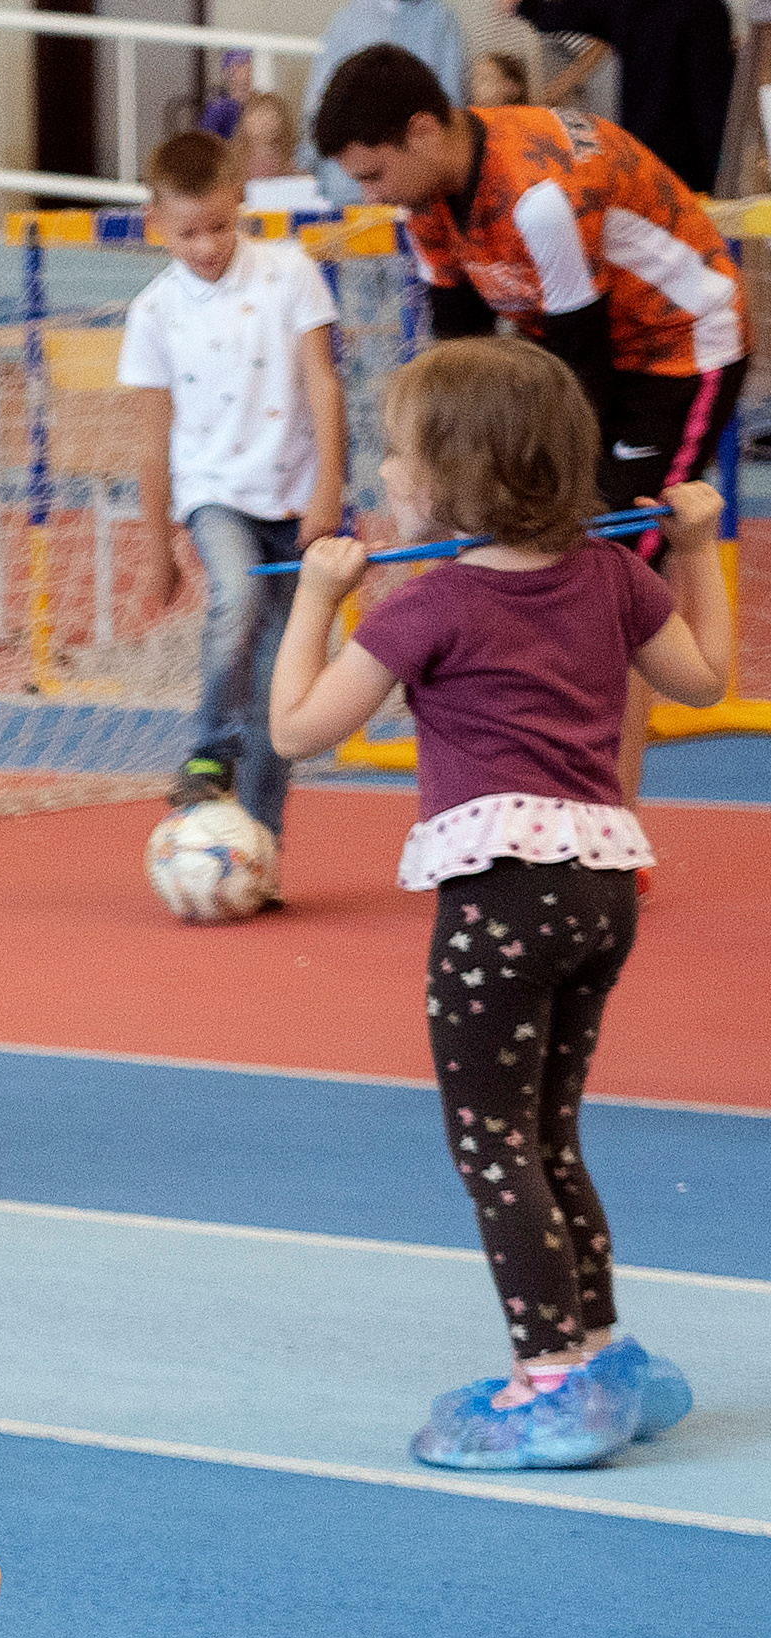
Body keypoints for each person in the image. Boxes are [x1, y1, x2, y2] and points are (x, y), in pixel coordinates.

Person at [268, 338, 728, 1467]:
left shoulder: (426, 608)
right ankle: (606, 1350)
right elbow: (705, 679)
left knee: (490, 1143)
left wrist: (319, 602)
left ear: (443, 482)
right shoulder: (619, 574)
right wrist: (702, 549)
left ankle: (552, 1377)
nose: (381, 471)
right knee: (548, 1132)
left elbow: (293, 730)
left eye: (391, 454)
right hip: (600, 886)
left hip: (500, 901)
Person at [311, 46, 748, 798]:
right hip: (579, 354)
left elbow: (583, 363)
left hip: (677, 350)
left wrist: (566, 492)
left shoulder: (536, 194)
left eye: (374, 174)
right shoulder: (425, 203)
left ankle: (614, 815)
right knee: (527, 545)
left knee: (614, 565)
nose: (374, 194)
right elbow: (461, 348)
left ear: (421, 132)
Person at [119, 129, 347, 901]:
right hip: (214, 495)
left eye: (221, 226)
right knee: (239, 596)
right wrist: (158, 548)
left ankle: (261, 846)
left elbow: (323, 385)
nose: (208, 245)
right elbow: (152, 440)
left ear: (241, 205)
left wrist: (329, 491)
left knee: (284, 679)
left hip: (292, 495)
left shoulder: (290, 274)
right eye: (188, 232)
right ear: (157, 222)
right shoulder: (153, 311)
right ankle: (209, 751)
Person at [497, 0, 737, 190]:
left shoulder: (632, 7)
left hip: (649, 157)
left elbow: (573, 14)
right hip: (682, 165)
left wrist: (526, 6)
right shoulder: (706, 11)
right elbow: (714, 110)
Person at [297, 0, 467, 204]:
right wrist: (307, 162)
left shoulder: (439, 17)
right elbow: (322, 108)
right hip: (342, 190)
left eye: (374, 177)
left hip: (424, 178)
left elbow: (449, 103)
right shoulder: (349, 19)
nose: (371, 196)